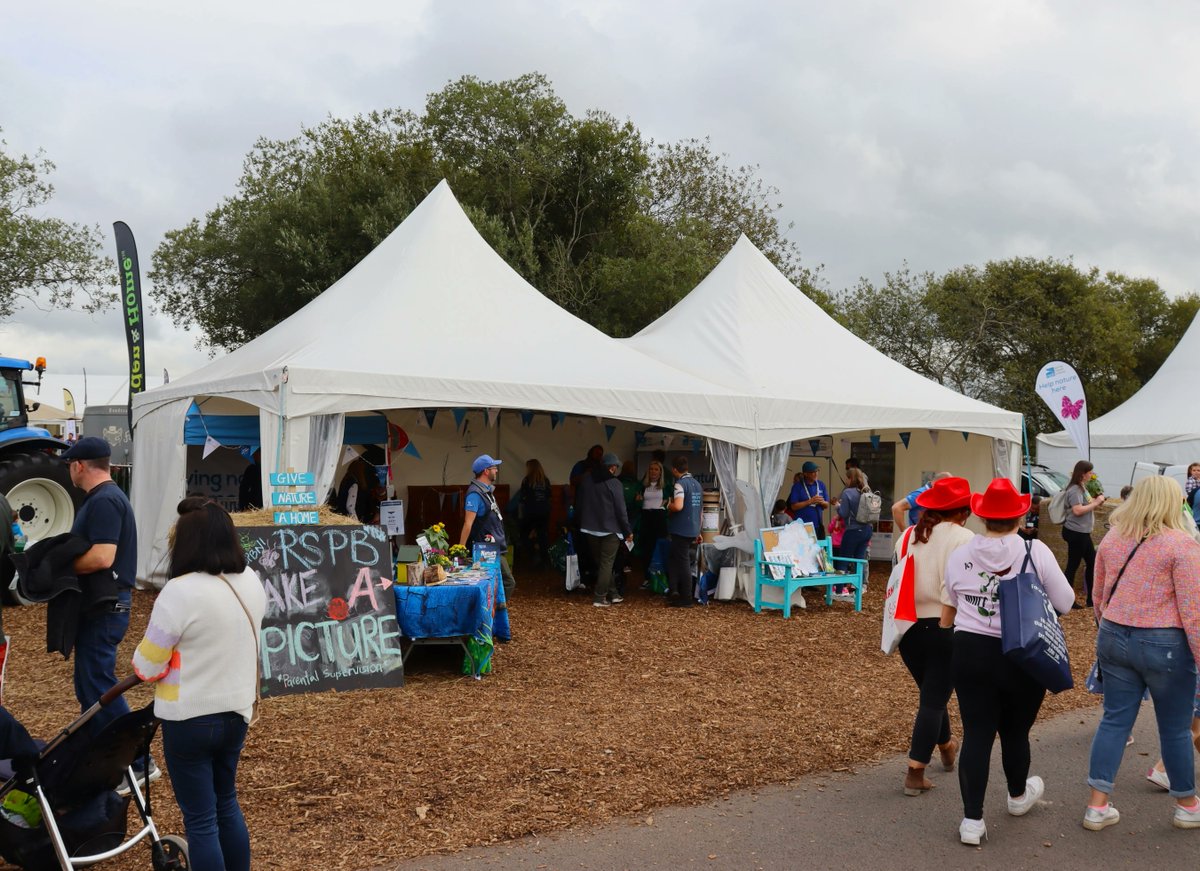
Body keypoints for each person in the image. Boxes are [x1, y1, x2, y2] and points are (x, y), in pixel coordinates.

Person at [132, 497, 266, 871]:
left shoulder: (179, 591)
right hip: (237, 710)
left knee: (201, 821)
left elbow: (145, 665)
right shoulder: (251, 581)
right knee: (227, 802)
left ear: (186, 542)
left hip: (188, 716)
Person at [943, 478, 1074, 846]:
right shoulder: (1035, 552)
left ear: (981, 516)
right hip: (1022, 652)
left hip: (969, 649)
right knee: (1015, 731)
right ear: (1019, 516)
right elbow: (1065, 602)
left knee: (977, 732)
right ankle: (1017, 796)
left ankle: (972, 821)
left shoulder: (961, 553)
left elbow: (952, 595)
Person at [1080, 475, 1200, 832]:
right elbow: (1193, 612)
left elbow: (1097, 595)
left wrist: (1110, 628)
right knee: (1175, 729)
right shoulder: (1182, 545)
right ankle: (1187, 804)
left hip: (1114, 634)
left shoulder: (1113, 539)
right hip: (1164, 643)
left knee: (1115, 720)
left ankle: (1096, 806)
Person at [895, 477, 974, 798]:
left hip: (909, 629)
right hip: (945, 624)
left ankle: (946, 745)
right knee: (932, 700)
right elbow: (957, 588)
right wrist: (947, 628)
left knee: (933, 694)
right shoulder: (964, 537)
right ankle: (915, 771)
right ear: (963, 511)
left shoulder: (908, 535)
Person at [63, 438, 145, 741]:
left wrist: (60, 568)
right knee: (90, 686)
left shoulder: (104, 500)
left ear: (78, 465)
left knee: (99, 686)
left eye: (69, 465)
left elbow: (103, 556)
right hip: (103, 604)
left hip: (106, 606)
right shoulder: (106, 497)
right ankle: (103, 759)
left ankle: (136, 759)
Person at [577, 452, 633, 607]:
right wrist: (627, 531)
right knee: (606, 564)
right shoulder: (615, 484)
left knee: (602, 563)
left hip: (589, 528)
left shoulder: (587, 479)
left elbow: (580, 502)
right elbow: (621, 511)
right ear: (613, 467)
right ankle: (599, 597)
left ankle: (614, 594)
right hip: (610, 529)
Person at [460, 454, 515, 597]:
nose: (496, 470)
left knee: (496, 583)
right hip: (486, 549)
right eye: (494, 468)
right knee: (508, 582)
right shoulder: (475, 494)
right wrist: (460, 549)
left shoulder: (487, 491)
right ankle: (493, 614)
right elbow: (468, 523)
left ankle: (492, 613)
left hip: (494, 546)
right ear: (486, 471)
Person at [1063, 459, 1106, 608]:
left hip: (1082, 532)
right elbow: (1077, 510)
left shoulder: (1082, 487)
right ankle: (1067, 600)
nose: (1092, 474)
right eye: (1090, 472)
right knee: (1073, 565)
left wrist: (1097, 500)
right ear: (1083, 474)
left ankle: (1091, 600)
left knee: (1092, 562)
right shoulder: (1075, 489)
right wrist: (1095, 502)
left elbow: (1086, 504)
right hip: (1076, 533)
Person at [666, 455, 703, 608]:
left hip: (681, 529)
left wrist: (669, 505)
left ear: (675, 470)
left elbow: (679, 506)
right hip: (693, 528)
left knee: (683, 563)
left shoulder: (679, 485)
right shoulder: (697, 484)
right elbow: (700, 510)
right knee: (675, 560)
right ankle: (674, 591)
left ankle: (686, 598)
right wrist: (699, 530)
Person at [834, 467, 873, 578]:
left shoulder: (847, 492)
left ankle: (839, 591)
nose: (846, 481)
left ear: (851, 479)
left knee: (843, 560)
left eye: (847, 478)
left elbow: (844, 513)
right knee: (859, 561)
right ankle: (857, 590)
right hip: (867, 530)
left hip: (853, 530)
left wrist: (837, 506)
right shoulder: (866, 491)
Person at [517, 459, 552, 569]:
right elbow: (549, 496)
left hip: (531, 512)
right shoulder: (545, 480)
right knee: (542, 537)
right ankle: (545, 561)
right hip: (544, 512)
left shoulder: (527, 480)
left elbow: (522, 498)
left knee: (524, 534)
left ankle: (532, 557)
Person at [788, 461, 830, 540]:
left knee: (819, 549)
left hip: (818, 525)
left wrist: (821, 502)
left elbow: (827, 505)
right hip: (802, 526)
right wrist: (809, 502)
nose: (816, 474)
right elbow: (793, 507)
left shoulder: (821, 485)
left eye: (817, 471)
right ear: (805, 474)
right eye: (812, 472)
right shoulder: (797, 486)